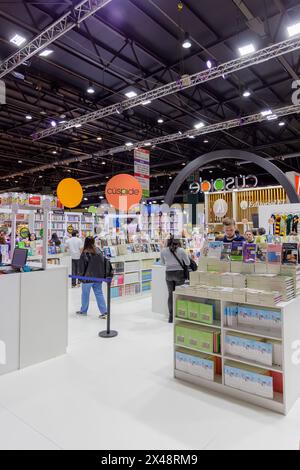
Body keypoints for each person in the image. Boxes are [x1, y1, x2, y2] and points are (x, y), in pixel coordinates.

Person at [76, 237, 107, 319]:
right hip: (98, 277)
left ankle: (83, 311)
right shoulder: (99, 251)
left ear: (85, 242)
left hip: (87, 278)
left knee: (85, 295)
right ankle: (104, 312)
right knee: (99, 294)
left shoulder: (85, 253)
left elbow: (82, 267)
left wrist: (80, 278)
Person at [160, 238, 190, 324]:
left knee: (170, 294)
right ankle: (179, 315)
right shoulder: (181, 250)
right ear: (178, 242)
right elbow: (187, 263)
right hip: (179, 274)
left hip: (168, 274)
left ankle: (170, 316)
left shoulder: (163, 251)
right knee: (179, 295)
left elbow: (162, 263)